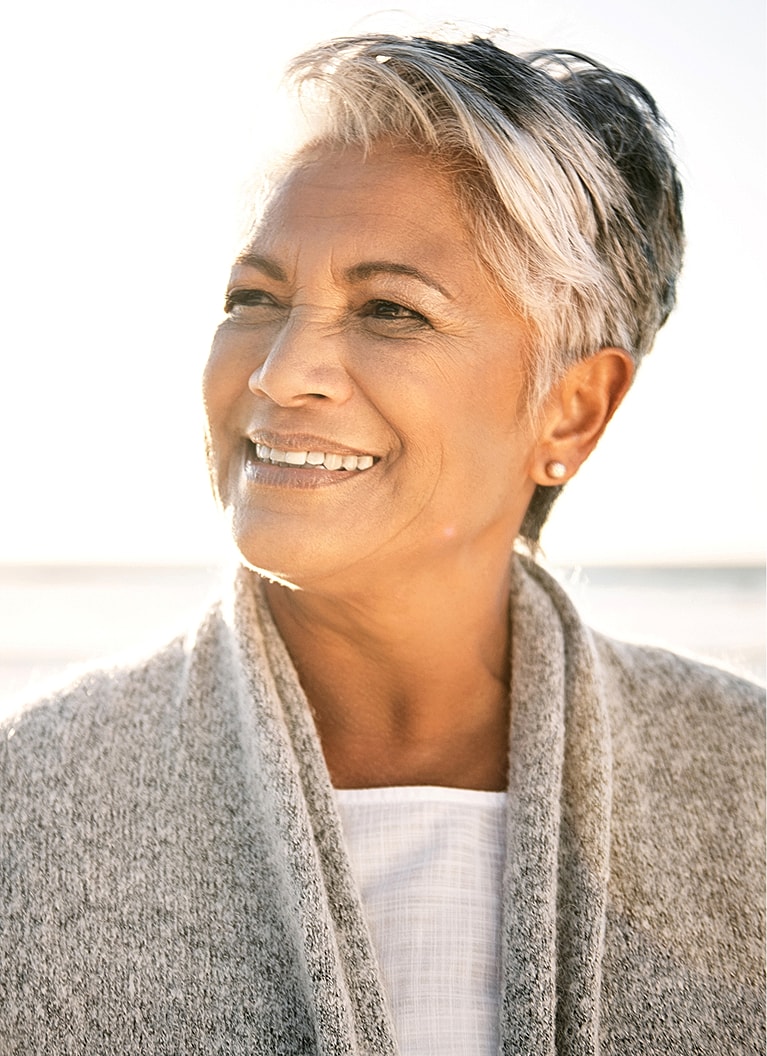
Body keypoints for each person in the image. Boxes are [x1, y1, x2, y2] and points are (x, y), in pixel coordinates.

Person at [1, 30, 763, 1056]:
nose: (279, 372)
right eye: (255, 298)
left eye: (390, 311)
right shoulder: (29, 799)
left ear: (573, 410)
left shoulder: (743, 785)